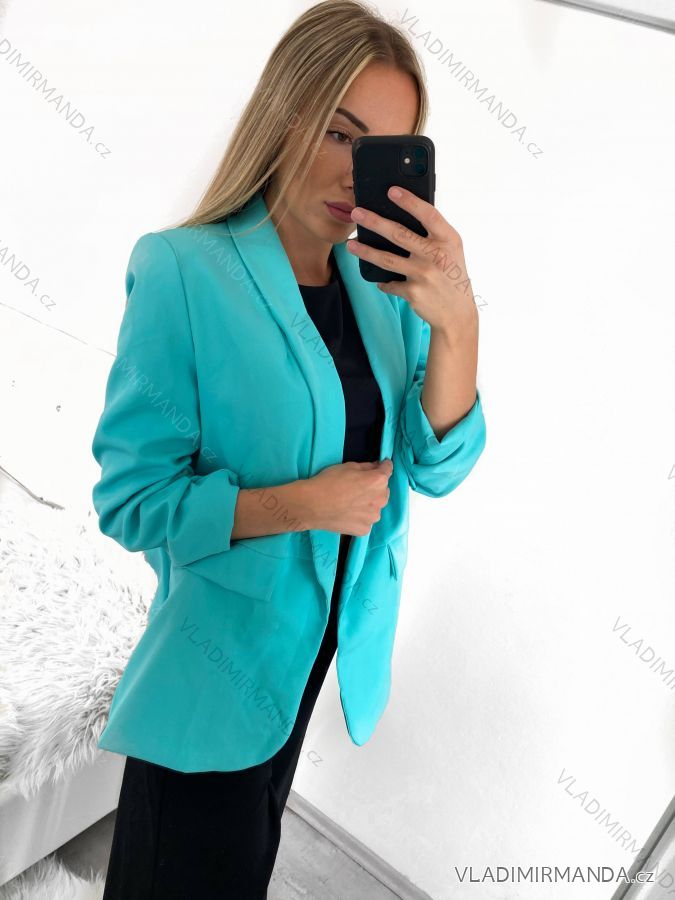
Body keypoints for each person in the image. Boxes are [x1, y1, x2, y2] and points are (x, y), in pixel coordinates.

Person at [93, 1, 486, 896]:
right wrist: (304, 505)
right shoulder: (183, 270)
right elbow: (131, 502)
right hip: (214, 665)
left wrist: (457, 323)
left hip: (313, 656)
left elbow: (436, 466)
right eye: (339, 133)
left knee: (245, 863)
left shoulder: (384, 292)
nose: (356, 172)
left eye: (381, 148)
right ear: (284, 112)